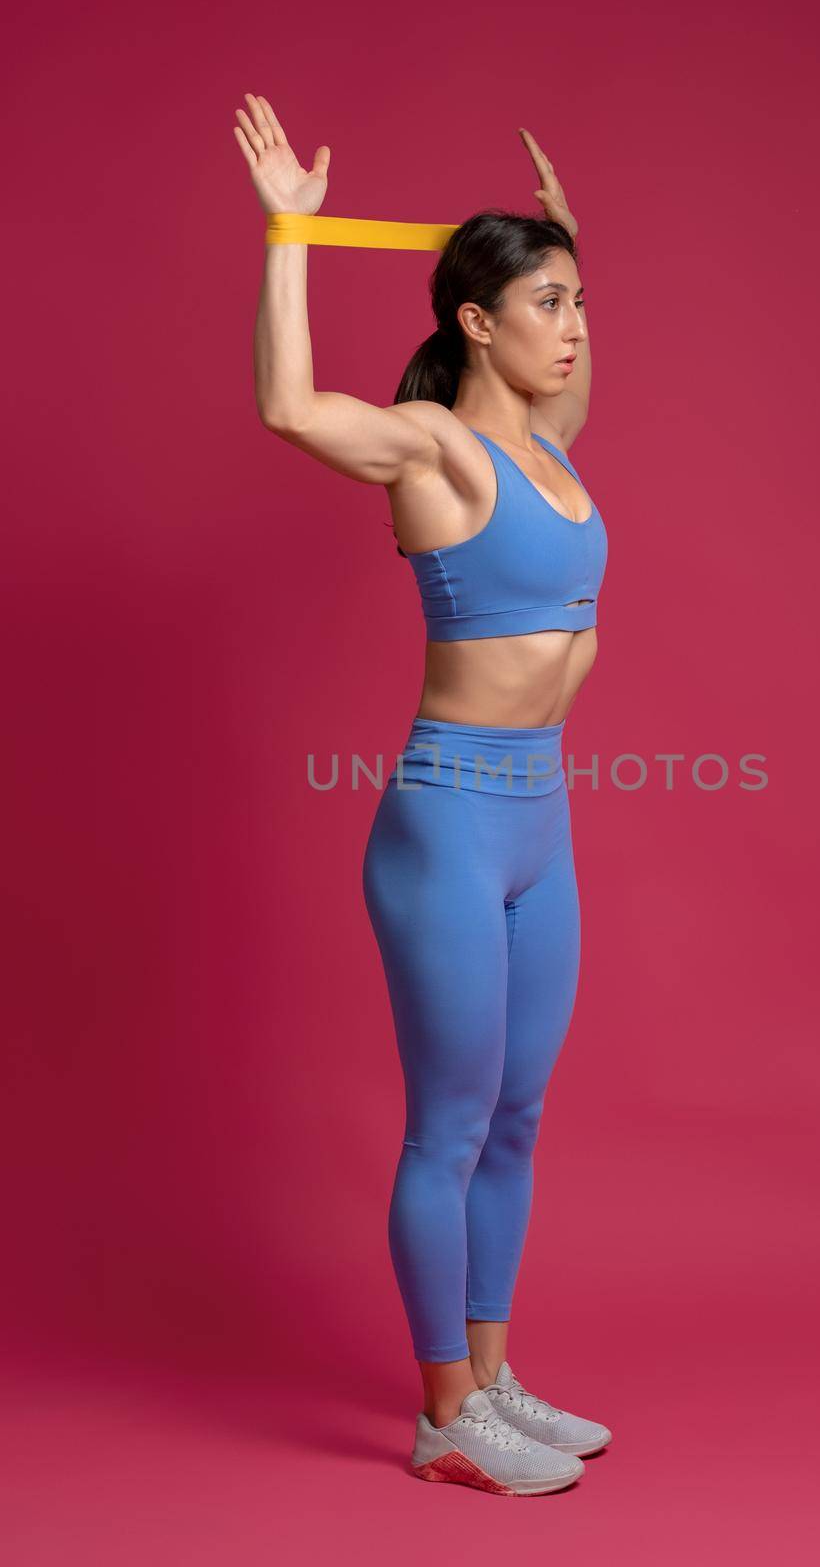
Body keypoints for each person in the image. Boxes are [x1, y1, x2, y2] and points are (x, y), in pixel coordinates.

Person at [234, 92, 611, 1497]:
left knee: (516, 1117)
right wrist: (291, 233)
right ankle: (444, 1412)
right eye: (546, 303)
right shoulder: (434, 449)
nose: (570, 325)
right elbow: (284, 406)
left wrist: (569, 237)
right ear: (475, 324)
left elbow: (569, 356)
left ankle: (497, 1378)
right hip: (448, 822)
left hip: (542, 818)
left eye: (577, 301)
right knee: (450, 1124)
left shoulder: (550, 443)